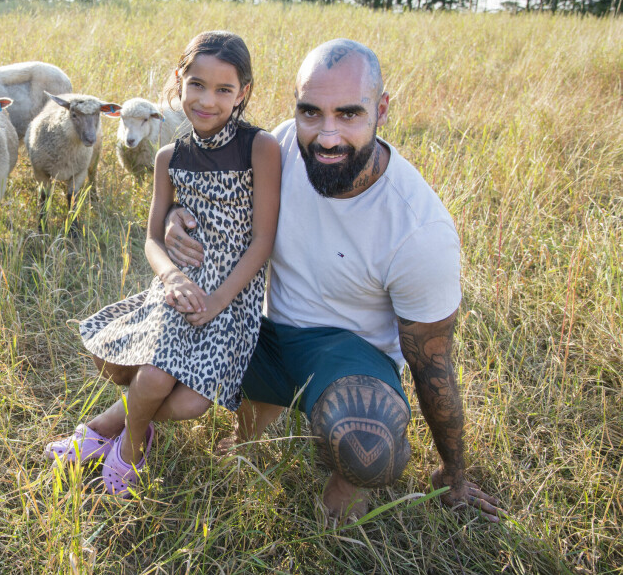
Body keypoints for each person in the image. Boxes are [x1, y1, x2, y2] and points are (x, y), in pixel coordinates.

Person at [164, 38, 501, 522]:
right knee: (134, 355)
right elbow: (215, 196)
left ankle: (346, 481)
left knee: (370, 444)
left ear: (381, 110)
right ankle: (248, 420)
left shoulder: (418, 229)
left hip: (345, 355)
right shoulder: (276, 146)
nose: (326, 136)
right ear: (294, 107)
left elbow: (434, 363)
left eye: (348, 114)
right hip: (260, 327)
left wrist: (456, 473)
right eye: (311, 113)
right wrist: (178, 213)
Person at [44, 31, 281, 496]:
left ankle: (107, 425)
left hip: (231, 295)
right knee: (153, 375)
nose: (207, 100)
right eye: (196, 84)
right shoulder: (169, 156)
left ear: (244, 93)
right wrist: (171, 275)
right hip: (178, 284)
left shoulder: (260, 148)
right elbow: (152, 238)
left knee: (192, 404)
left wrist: (217, 301)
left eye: (224, 89)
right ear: (179, 81)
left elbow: (263, 239)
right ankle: (132, 446)